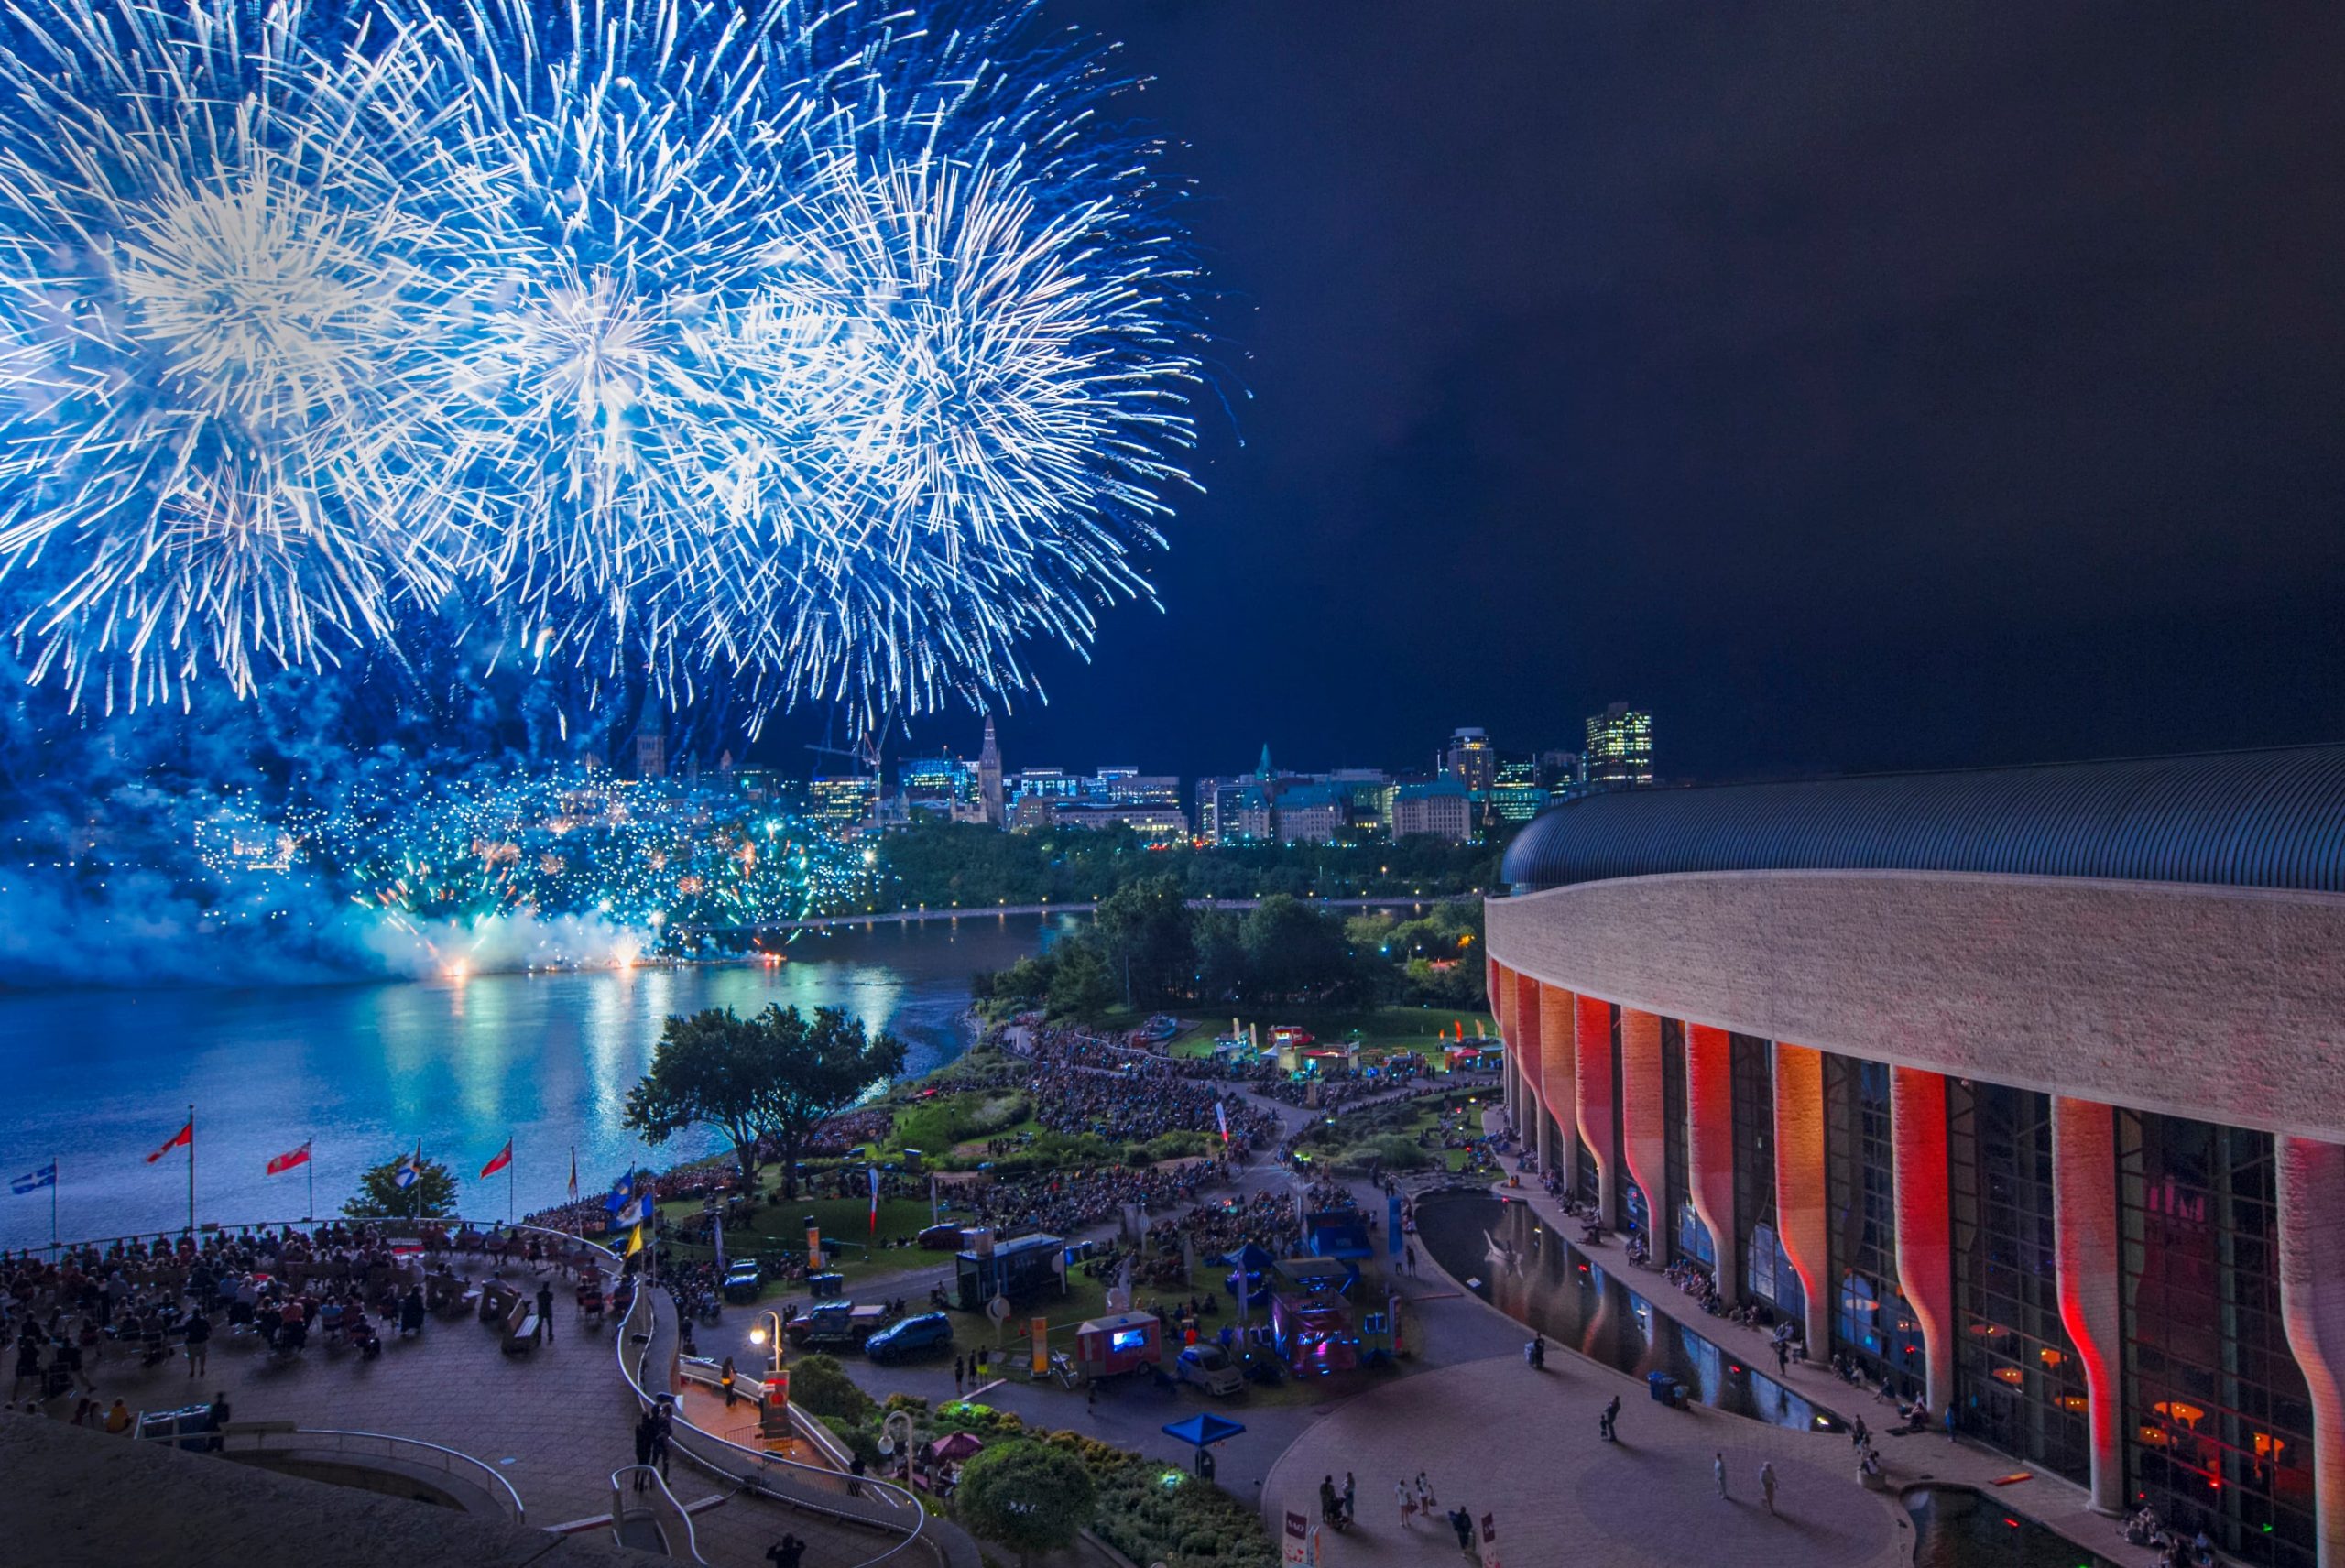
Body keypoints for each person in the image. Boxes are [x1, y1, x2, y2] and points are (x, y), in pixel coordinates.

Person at [183, 1308, 211, 1377]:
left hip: (192, 1342)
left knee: (192, 1358)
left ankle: (192, 1370)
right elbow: (209, 1330)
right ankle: (202, 1368)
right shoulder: (204, 1322)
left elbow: (184, 1332)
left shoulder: (188, 1323)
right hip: (202, 1341)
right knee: (202, 1356)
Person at [632, 1414, 656, 1490]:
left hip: (639, 1449)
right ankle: (642, 1483)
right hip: (646, 1450)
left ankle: (636, 1483)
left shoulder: (638, 1427)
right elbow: (651, 1438)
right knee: (645, 1466)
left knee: (639, 1464)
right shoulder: (649, 1429)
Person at [537, 1281, 555, 1345]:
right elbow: (551, 1300)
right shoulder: (550, 1294)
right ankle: (550, 1335)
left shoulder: (539, 1294)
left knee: (540, 1324)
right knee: (550, 1324)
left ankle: (539, 1336)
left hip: (541, 1311)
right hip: (548, 1311)